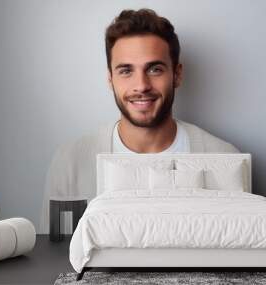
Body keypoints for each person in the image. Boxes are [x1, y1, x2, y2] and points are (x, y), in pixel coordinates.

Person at [39, 8, 239, 233]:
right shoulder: (70, 162)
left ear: (177, 74)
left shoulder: (225, 159)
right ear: (110, 78)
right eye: (126, 70)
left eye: (155, 69)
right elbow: (53, 258)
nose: (141, 85)